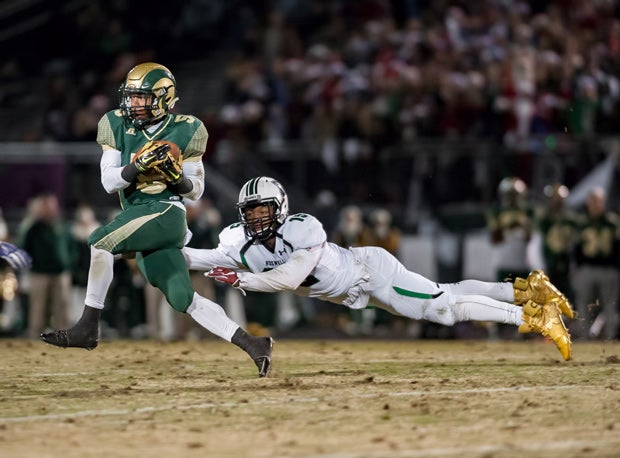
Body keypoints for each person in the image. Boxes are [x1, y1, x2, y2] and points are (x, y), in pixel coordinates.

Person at [40, 63, 273, 377]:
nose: (133, 104)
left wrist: (175, 177)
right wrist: (138, 165)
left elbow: (196, 191)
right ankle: (253, 344)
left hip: (166, 212)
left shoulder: (187, 128)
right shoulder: (115, 123)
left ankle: (87, 327)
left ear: (164, 98)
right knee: (182, 297)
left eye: (141, 97)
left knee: (99, 241)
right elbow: (109, 182)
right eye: (132, 97)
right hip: (137, 214)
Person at [183, 176, 574, 361]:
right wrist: (152, 249)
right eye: (250, 211)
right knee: (447, 291)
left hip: (372, 274)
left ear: (281, 207)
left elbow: (287, 279)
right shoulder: (240, 241)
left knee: (445, 310)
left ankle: (535, 317)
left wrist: (242, 279)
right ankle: (526, 288)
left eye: (263, 209)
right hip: (358, 293)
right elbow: (200, 257)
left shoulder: (303, 228)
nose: (256, 218)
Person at [19, 192, 73, 339]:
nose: (50, 209)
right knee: (38, 308)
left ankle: (62, 337)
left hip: (61, 273)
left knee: (61, 307)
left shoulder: (62, 226)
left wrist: (69, 263)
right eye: (47, 205)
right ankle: (36, 337)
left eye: (52, 205)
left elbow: (72, 247)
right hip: (39, 273)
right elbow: (24, 248)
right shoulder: (34, 228)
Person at [572, 187, 620, 340]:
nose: (595, 204)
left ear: (603, 202)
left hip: (608, 269)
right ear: (588, 203)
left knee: (610, 305)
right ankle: (585, 337)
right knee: (584, 304)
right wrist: (575, 268)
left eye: (598, 201)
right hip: (587, 269)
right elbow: (576, 248)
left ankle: (610, 338)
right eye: (592, 201)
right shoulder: (582, 223)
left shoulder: (612, 222)